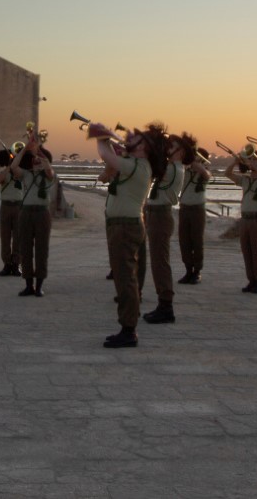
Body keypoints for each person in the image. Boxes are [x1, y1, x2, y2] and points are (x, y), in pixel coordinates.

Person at [95, 122, 166, 348]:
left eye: (137, 139)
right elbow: (106, 173)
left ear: (144, 148)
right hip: (120, 224)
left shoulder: (139, 165)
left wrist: (100, 135)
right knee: (124, 276)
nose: (130, 139)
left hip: (125, 226)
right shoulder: (135, 163)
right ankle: (127, 326)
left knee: (126, 278)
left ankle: (129, 330)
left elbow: (105, 155)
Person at [143, 130, 187, 324]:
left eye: (172, 146)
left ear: (181, 151)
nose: (168, 149)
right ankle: (163, 303)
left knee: (160, 262)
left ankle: (166, 305)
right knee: (157, 261)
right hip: (155, 214)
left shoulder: (174, 168)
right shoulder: (171, 166)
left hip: (161, 215)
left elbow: (152, 166)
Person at [223, 148, 257, 294]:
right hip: (246, 219)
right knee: (247, 251)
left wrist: (256, 165)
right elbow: (228, 174)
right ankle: (251, 280)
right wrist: (235, 162)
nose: (251, 162)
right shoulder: (246, 180)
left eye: (255, 160)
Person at [12, 138, 56, 297]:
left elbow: (50, 172)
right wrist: (24, 150)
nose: (36, 161)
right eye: (34, 159)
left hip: (42, 213)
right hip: (26, 213)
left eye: (40, 159)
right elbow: (13, 167)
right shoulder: (26, 174)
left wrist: (41, 155)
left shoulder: (48, 175)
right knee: (25, 249)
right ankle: (28, 284)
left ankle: (39, 285)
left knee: (42, 250)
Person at [176, 143, 211, 285]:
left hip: (197, 209)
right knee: (184, 241)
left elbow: (206, 175)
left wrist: (195, 162)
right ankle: (188, 269)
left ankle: (197, 271)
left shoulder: (204, 171)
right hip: (184, 208)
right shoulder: (185, 170)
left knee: (197, 240)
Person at [0, 146, 24, 278]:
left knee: (18, 237)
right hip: (5, 206)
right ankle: (7, 264)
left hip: (18, 206)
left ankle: (16, 264)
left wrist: (14, 166)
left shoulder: (22, 172)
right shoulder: (4, 172)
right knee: (5, 237)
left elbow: (19, 176)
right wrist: (8, 167)